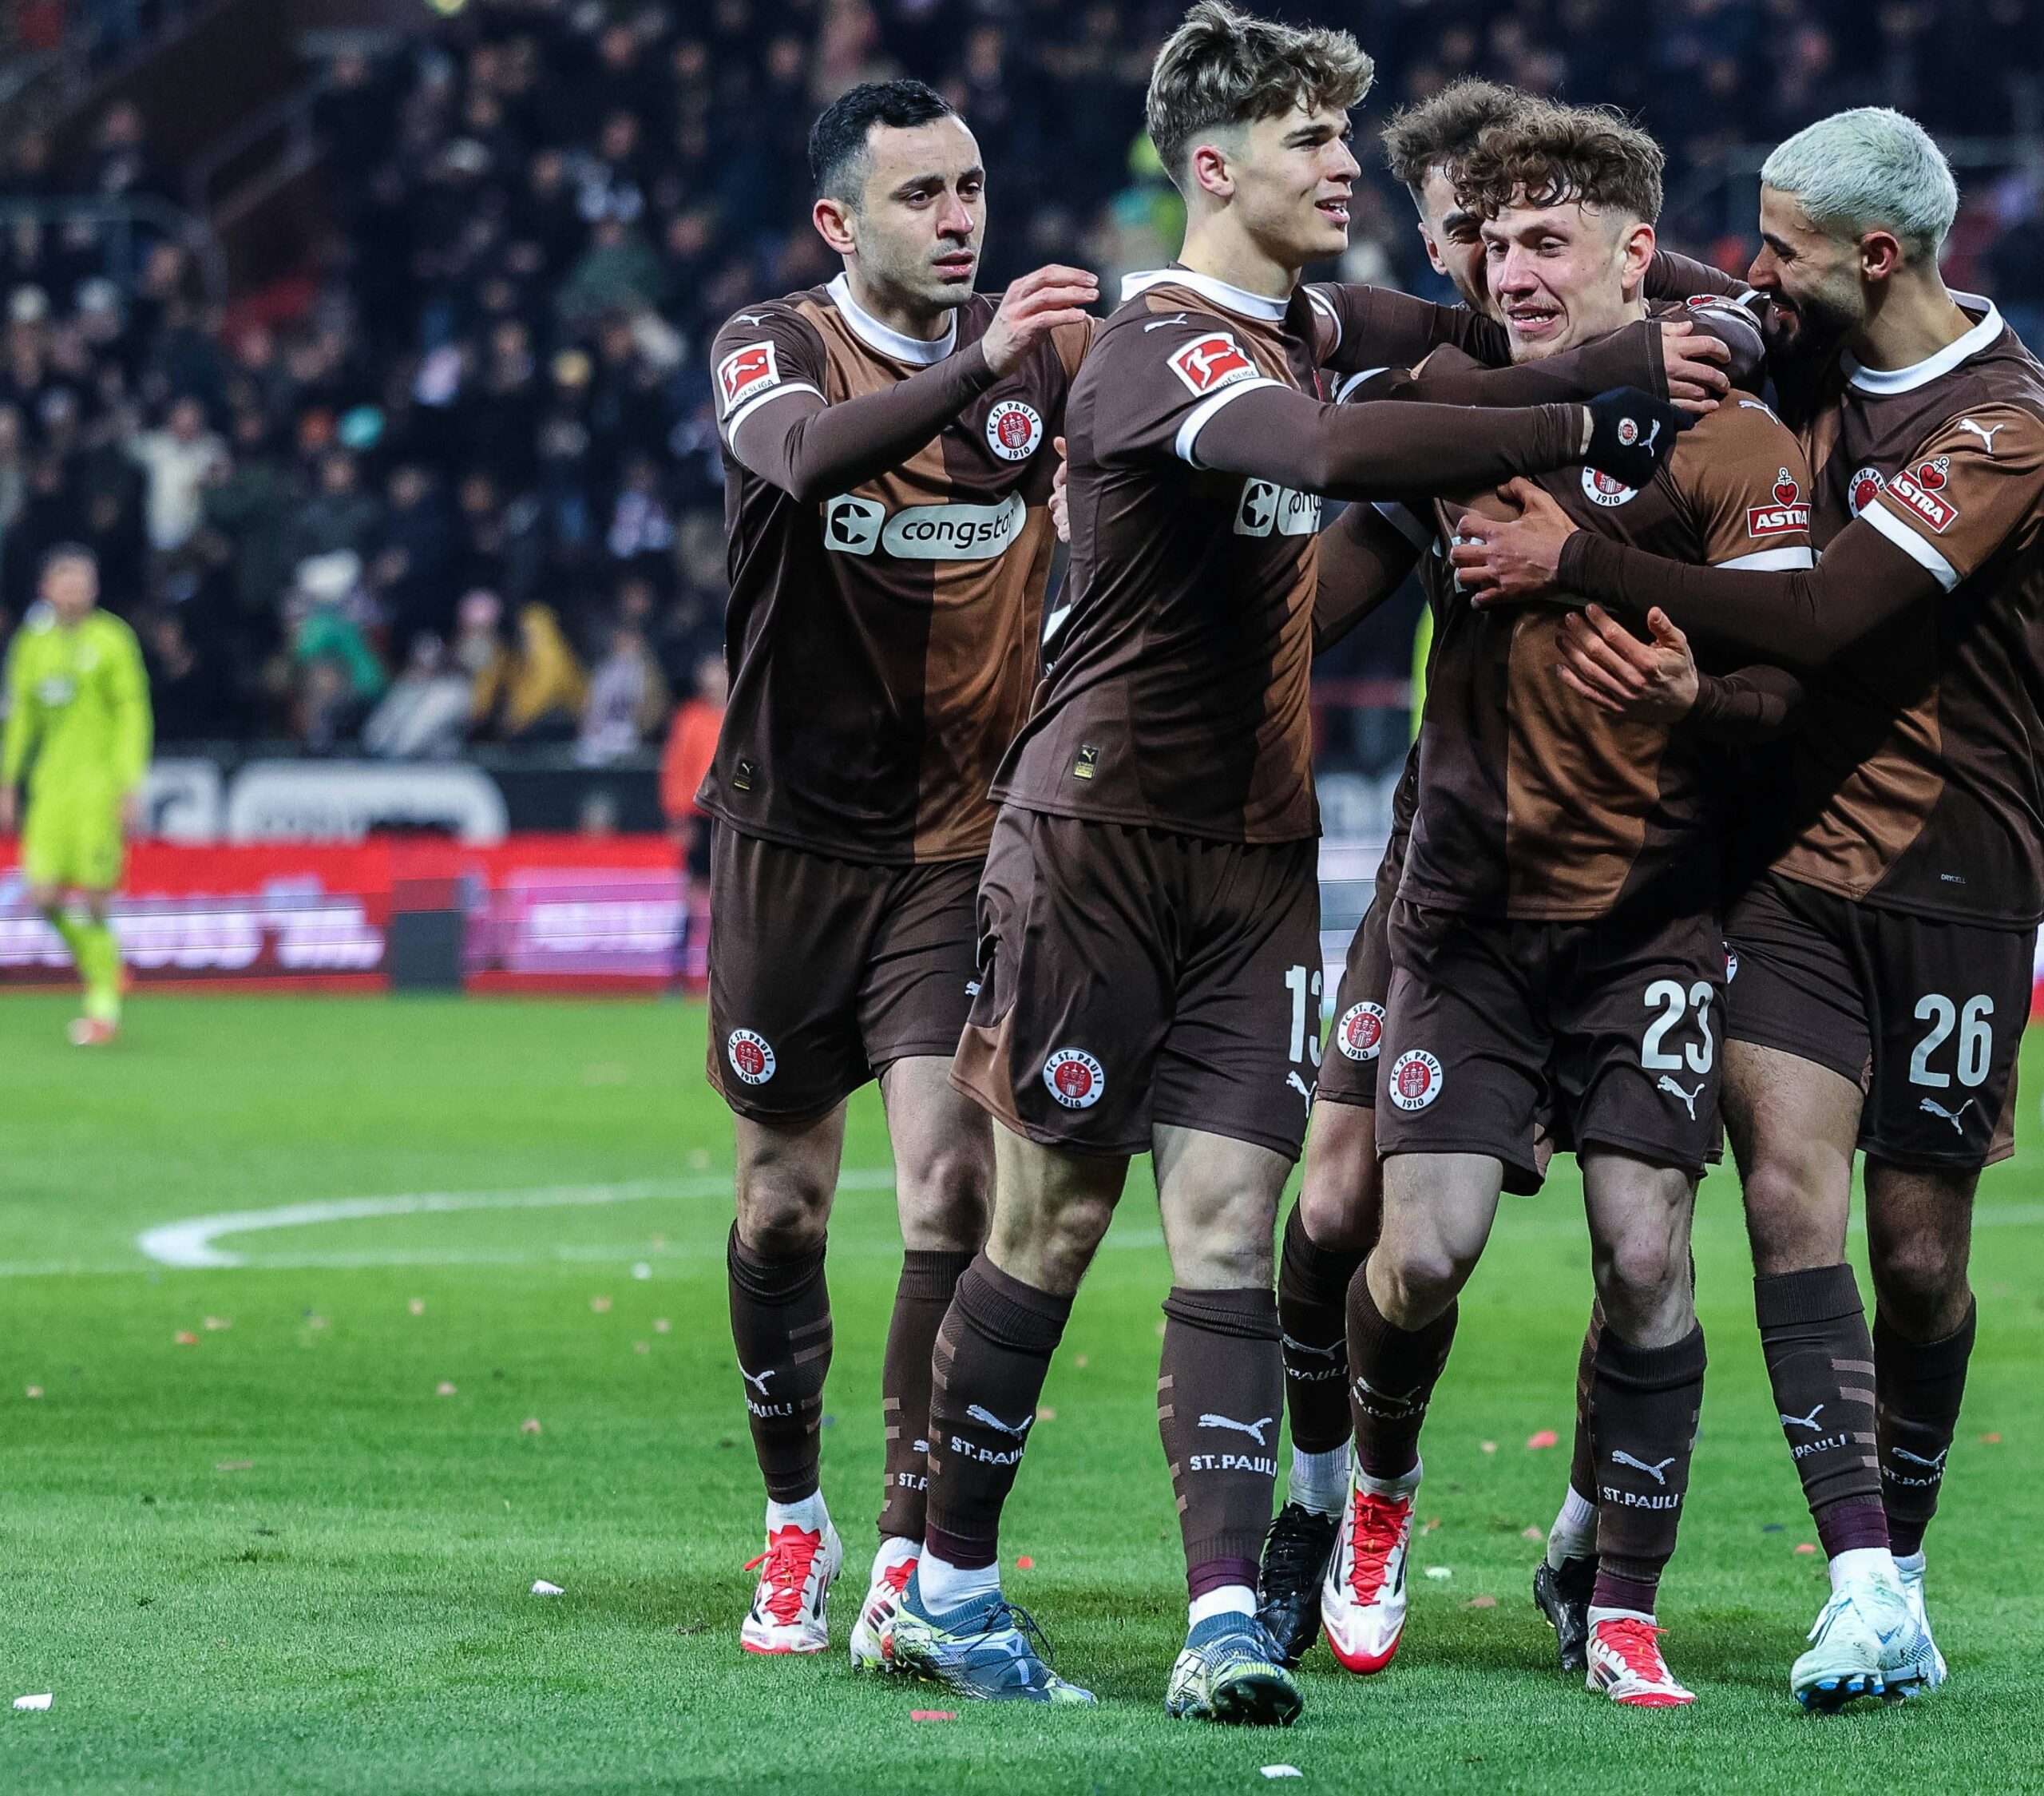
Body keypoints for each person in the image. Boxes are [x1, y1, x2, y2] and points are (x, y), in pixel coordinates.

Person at [891, 5, 1688, 1719]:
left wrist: (1668, 294)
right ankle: (945, 1577)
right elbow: (1326, 456)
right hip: (1097, 836)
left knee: (1231, 1225)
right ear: (1212, 167)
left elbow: (1509, 316)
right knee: (1051, 1215)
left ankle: (1222, 1619)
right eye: (1315, 139)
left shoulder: (1311, 319)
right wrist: (1577, 410)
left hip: (1253, 851)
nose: (1349, 166)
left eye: (1344, 133)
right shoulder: (1159, 343)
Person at [1452, 105, 2044, 1711]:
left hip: (1959, 876)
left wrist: (1582, 562)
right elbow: (1713, 301)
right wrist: (1684, 306)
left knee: (1916, 1256)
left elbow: (1825, 609)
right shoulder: (1809, 356)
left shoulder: (2004, 427)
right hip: (1784, 868)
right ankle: (1856, 1576)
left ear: (1877, 255)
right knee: (1783, 1198)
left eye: (1779, 247)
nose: (1755, 276)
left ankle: (1893, 1568)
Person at [1286, 103, 1808, 1711]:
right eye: (1485, 241)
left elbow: (1784, 690)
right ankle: (1369, 1493)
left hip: (1650, 920)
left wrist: (1682, 688)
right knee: (1412, 1247)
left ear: (1633, 253)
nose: (1502, 270)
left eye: (1539, 242)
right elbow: (1325, 562)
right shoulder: (1457, 410)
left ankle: (1611, 1582)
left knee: (1645, 1254)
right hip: (1463, 908)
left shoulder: (1736, 440)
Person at [702, 77, 1099, 1665]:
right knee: (783, 1203)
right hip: (788, 844)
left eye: (970, 190)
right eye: (920, 196)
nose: (957, 220)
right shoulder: (768, 345)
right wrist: (981, 375)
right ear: (837, 222)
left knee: (947, 1183)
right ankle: (790, 1517)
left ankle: (901, 1548)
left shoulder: (1043, 366)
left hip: (956, 848)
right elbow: (797, 461)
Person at [0, 544, 150, 1045]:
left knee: (95, 900)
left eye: (82, 581)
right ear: (46, 589)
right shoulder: (32, 643)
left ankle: (102, 1005)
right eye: (64, 580)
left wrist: (129, 782)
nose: (74, 590)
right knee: (42, 896)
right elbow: (20, 720)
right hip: (50, 790)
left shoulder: (112, 640)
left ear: (94, 589)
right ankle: (104, 963)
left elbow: (132, 715)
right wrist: (7, 781)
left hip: (98, 787)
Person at [659, 653, 726, 993]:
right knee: (692, 894)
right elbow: (675, 768)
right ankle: (678, 973)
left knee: (727, 897)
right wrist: (677, 816)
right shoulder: (690, 718)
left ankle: (724, 975)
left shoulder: (741, 714)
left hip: (731, 818)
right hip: (698, 817)